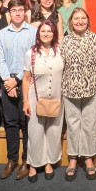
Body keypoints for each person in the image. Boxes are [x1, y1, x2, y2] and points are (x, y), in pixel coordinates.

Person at [58, 8, 96, 181]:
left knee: (90, 124)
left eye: (83, 18)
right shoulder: (65, 42)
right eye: (76, 18)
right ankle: (73, 158)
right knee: (73, 124)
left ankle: (89, 157)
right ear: (71, 22)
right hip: (70, 90)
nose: (80, 21)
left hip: (92, 89)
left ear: (88, 20)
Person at [0, 0, 37, 180]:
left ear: (25, 12)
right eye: (14, 10)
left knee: (26, 123)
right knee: (10, 123)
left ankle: (26, 160)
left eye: (21, 10)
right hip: (7, 81)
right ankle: (11, 160)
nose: (18, 13)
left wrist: (17, 79)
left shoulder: (34, 32)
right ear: (9, 13)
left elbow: (34, 59)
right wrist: (8, 81)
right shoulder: (1, 34)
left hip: (27, 81)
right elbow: (0, 59)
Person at [22, 20, 64, 182]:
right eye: (43, 31)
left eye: (49, 31)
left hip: (56, 98)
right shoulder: (31, 54)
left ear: (54, 34)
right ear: (38, 34)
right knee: (35, 132)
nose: (46, 34)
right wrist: (25, 101)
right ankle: (33, 164)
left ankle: (48, 162)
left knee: (54, 131)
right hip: (35, 98)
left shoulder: (60, 52)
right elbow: (26, 79)